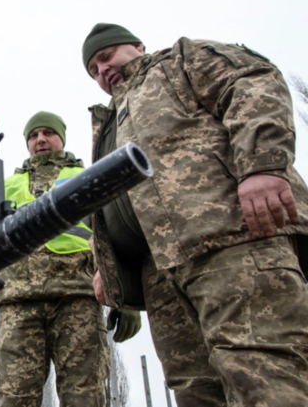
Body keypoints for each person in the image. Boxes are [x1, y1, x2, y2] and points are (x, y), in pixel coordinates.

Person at [83, 23, 308, 407]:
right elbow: (111, 205)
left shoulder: (180, 61)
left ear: (137, 46)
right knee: (196, 391)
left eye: (107, 57)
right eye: (93, 70)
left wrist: (262, 167)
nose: (103, 71)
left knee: (262, 374)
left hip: (230, 238)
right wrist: (105, 264)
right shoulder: (111, 122)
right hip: (161, 274)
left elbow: (252, 82)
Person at [0, 112, 141, 407]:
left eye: (47, 133)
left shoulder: (89, 177)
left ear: (61, 138)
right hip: (17, 301)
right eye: (33, 135)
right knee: (14, 398)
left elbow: (116, 235)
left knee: (85, 396)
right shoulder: (4, 185)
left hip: (79, 297)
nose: (40, 139)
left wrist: (127, 299)